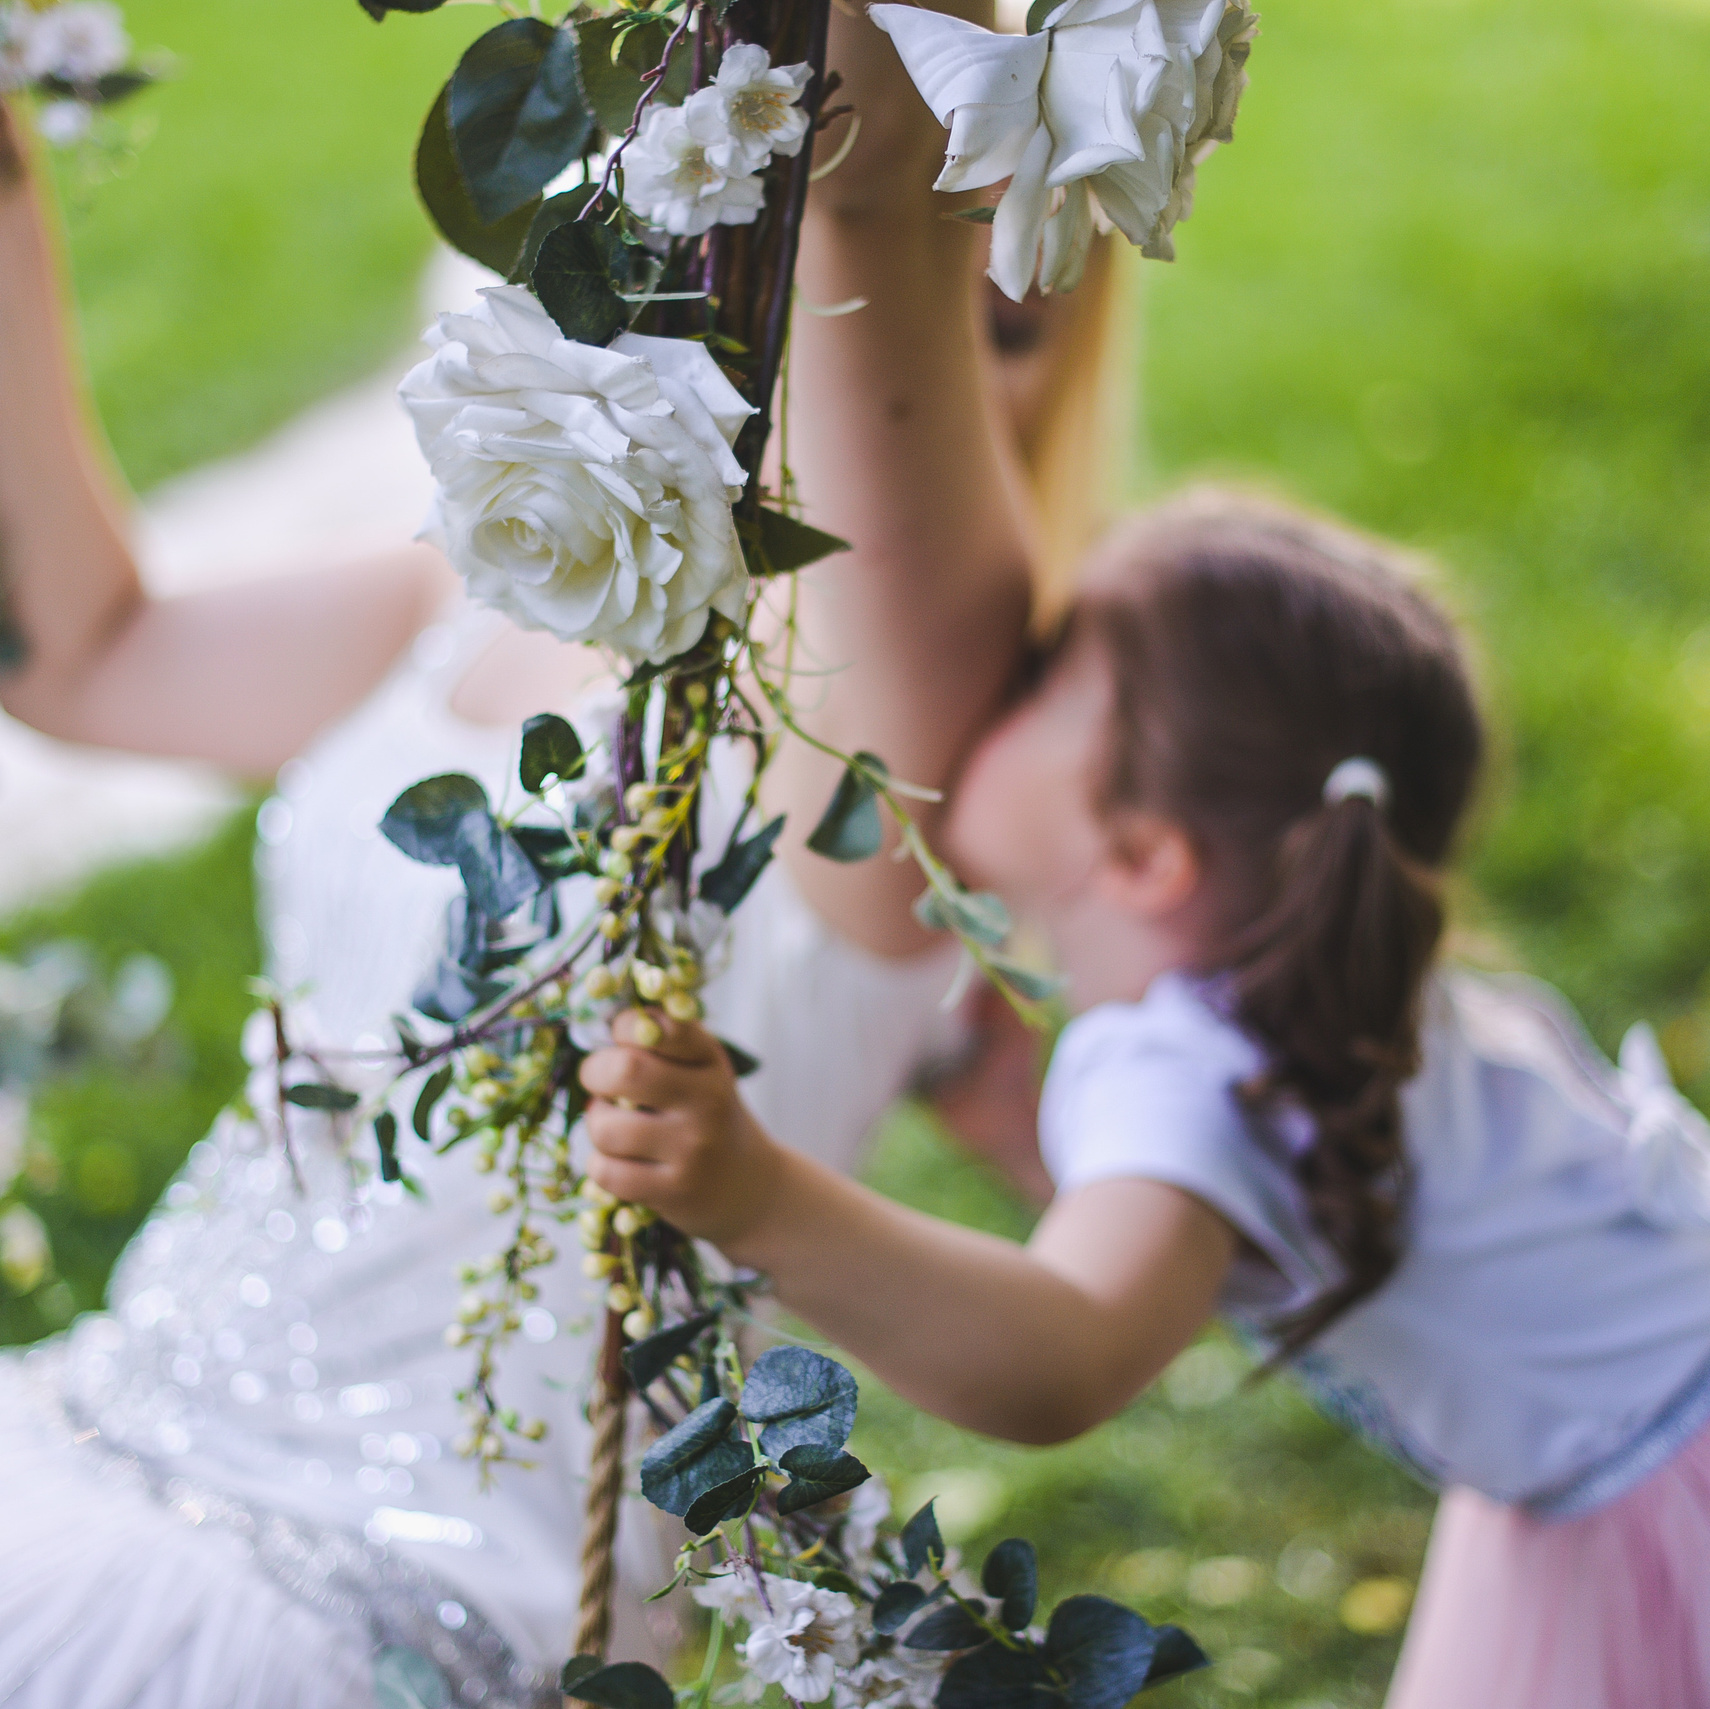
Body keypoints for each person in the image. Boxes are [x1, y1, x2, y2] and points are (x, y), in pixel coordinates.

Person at [0, 0, 1057, 1695]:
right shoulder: (493, 573)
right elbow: (74, 653)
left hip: (372, 1607)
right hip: (103, 1427)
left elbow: (869, 185)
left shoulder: (902, 718)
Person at [580, 492, 1710, 1709]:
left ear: (1142, 854)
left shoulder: (1182, 1062)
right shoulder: (1338, 981)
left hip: (1654, 1496)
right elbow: (1176, 1219)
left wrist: (756, 1196)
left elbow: (1061, 1349)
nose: (993, 684)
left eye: (1042, 675)